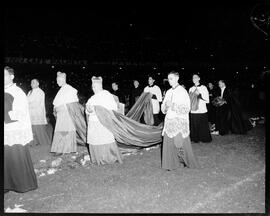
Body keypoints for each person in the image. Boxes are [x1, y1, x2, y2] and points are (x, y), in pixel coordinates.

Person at [4, 66, 38, 193]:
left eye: (4, 75)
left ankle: (22, 184)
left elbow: (22, 112)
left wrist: (7, 115)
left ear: (11, 76)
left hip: (14, 129)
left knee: (16, 157)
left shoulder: (18, 92)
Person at [161, 71, 200, 170]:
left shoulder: (182, 91)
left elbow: (186, 108)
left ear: (177, 78)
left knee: (180, 144)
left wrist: (173, 106)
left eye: (171, 78)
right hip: (169, 121)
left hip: (179, 122)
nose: (169, 81)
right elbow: (163, 106)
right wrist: (164, 107)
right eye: (168, 79)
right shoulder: (169, 92)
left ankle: (182, 162)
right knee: (168, 143)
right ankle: (170, 164)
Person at [86, 76, 123, 165]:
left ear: (100, 86)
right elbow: (87, 109)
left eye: (95, 86)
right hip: (93, 122)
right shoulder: (92, 98)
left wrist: (99, 110)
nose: (93, 88)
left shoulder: (107, 95)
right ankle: (97, 158)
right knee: (96, 139)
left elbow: (113, 108)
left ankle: (109, 157)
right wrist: (89, 109)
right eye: (93, 86)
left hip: (103, 122)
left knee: (105, 139)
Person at [51, 72, 79, 156]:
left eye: (58, 80)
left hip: (66, 113)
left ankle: (63, 149)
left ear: (63, 79)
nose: (57, 82)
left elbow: (74, 101)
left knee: (64, 130)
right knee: (61, 129)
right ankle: (62, 148)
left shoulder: (69, 89)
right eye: (57, 80)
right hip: (61, 113)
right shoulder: (62, 89)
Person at [27, 79, 52, 146]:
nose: (32, 84)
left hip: (37, 113)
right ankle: (34, 142)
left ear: (38, 84)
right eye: (31, 82)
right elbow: (26, 101)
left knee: (39, 129)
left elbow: (37, 103)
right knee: (32, 129)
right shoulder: (29, 92)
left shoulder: (40, 92)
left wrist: (28, 105)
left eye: (34, 82)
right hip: (30, 113)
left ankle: (45, 143)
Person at [189, 74, 212, 143]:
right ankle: (195, 138)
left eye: (195, 77)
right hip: (193, 110)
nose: (194, 79)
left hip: (201, 110)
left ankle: (204, 138)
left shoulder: (203, 88)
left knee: (202, 125)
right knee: (194, 125)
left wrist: (199, 94)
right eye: (193, 78)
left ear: (199, 78)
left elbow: (207, 100)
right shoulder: (191, 88)